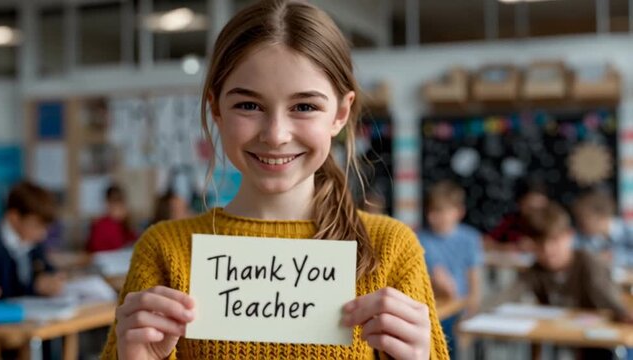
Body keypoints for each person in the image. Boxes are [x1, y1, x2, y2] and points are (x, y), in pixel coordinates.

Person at [100, 1, 448, 359]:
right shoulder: (163, 251)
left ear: (340, 114)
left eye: (304, 106)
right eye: (249, 106)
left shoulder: (390, 251)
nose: (276, 134)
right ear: (216, 109)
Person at [506, 202, 632, 360]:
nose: (548, 250)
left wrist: (624, 313)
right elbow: (509, 293)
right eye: (540, 244)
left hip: (599, 340)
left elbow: (609, 299)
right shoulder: (536, 269)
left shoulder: (589, 263)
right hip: (564, 334)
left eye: (554, 241)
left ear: (570, 237)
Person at [419, 180, 483, 359]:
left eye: (439, 211)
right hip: (432, 308)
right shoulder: (419, 239)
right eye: (430, 211)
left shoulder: (470, 239)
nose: (432, 217)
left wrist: (469, 318)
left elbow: (474, 286)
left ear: (458, 212)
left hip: (458, 310)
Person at [0, 181, 65, 299]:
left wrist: (51, 279)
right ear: (14, 217)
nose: (43, 234)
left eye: (45, 227)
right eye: (36, 226)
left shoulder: (31, 240)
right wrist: (35, 288)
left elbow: (46, 267)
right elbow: (5, 291)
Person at [572, 189, 633, 268]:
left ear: (602, 217)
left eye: (583, 221)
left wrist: (614, 257)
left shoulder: (629, 231)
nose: (580, 226)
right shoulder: (582, 239)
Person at [487, 177, 549, 250]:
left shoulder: (552, 222)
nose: (534, 213)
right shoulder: (511, 221)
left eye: (539, 208)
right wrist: (510, 247)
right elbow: (486, 243)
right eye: (530, 207)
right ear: (520, 204)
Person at [87, 184, 137, 253]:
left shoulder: (124, 225)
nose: (118, 207)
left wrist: (127, 222)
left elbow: (135, 243)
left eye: (120, 203)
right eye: (114, 202)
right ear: (107, 204)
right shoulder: (101, 225)